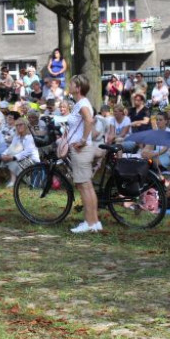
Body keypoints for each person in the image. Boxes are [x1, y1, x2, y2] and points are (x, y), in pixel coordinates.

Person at [65, 75, 101, 234]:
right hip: (82, 150)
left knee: (84, 187)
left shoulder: (82, 104)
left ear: (78, 88)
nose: (69, 85)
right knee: (87, 186)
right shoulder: (81, 103)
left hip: (81, 151)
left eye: (72, 83)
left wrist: (83, 140)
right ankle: (94, 221)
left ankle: (89, 222)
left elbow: (88, 120)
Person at [0, 117, 40, 188]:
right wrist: (3, 154)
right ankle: (16, 180)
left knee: (11, 161)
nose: (18, 127)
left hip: (32, 159)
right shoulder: (17, 136)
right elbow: (12, 147)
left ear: (25, 125)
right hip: (21, 157)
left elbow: (28, 152)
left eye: (21, 125)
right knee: (7, 158)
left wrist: (13, 157)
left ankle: (13, 181)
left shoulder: (30, 137)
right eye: (17, 125)